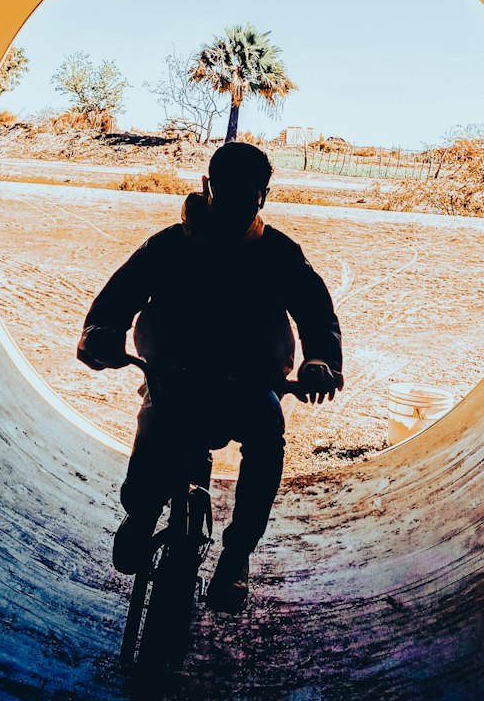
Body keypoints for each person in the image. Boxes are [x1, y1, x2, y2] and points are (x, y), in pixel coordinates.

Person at [77, 141, 344, 614]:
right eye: (227, 193)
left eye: (249, 196)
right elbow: (118, 297)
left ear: (263, 195)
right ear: (207, 187)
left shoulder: (280, 253)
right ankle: (140, 517)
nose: (238, 206)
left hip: (250, 387)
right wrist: (100, 333)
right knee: (154, 434)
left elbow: (316, 311)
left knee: (266, 437)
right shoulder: (168, 247)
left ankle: (236, 554)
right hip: (174, 381)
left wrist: (320, 360)